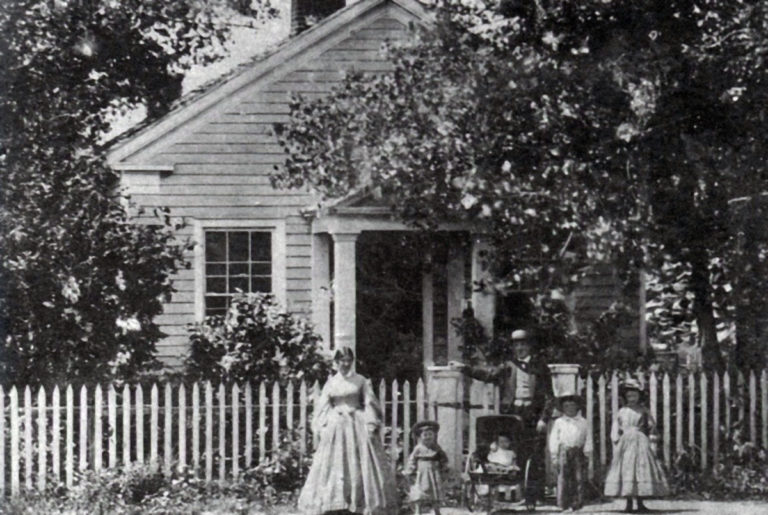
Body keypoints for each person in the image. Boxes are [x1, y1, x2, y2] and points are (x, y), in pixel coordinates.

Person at [298, 347, 399, 515]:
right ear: (336, 362)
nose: (345, 364)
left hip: (356, 423)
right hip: (336, 425)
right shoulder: (331, 382)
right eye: (342, 360)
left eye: (348, 360)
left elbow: (369, 402)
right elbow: (323, 405)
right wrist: (321, 425)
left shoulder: (360, 381)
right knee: (336, 463)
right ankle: (336, 501)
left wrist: (371, 422)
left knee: (359, 462)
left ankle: (359, 501)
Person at [458, 328, 554, 500]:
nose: (520, 348)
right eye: (517, 345)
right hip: (512, 414)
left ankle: (534, 495)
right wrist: (465, 368)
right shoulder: (508, 365)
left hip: (532, 415)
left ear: (530, 346)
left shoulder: (540, 367)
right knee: (511, 452)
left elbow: (549, 396)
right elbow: (488, 374)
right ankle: (510, 494)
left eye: (523, 344)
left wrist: (543, 419)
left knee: (534, 454)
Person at [604, 378, 669, 513]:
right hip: (626, 442)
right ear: (625, 397)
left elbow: (652, 426)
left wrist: (652, 437)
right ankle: (628, 503)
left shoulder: (643, 410)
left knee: (640, 470)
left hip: (640, 441)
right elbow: (616, 426)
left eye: (634, 395)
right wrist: (615, 439)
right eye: (629, 396)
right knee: (627, 469)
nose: (632, 398)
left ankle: (640, 502)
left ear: (639, 396)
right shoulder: (622, 411)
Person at [548, 394, 592, 512]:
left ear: (577, 407)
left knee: (578, 478)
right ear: (562, 408)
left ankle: (577, 502)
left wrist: (587, 453)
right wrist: (554, 455)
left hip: (578, 451)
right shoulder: (559, 422)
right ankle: (563, 503)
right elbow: (554, 439)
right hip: (564, 451)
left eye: (572, 406)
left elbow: (588, 437)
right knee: (563, 477)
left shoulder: (583, 422)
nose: (570, 408)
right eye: (566, 406)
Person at [405, 420, 449, 515]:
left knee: (435, 493)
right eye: (425, 435)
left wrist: (444, 467)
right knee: (420, 493)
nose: (428, 437)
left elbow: (443, 458)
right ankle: (418, 510)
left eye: (430, 434)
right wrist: (410, 469)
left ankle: (437, 510)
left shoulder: (437, 448)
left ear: (434, 436)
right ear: (420, 437)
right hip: (422, 474)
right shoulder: (418, 448)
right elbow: (412, 459)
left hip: (434, 472)